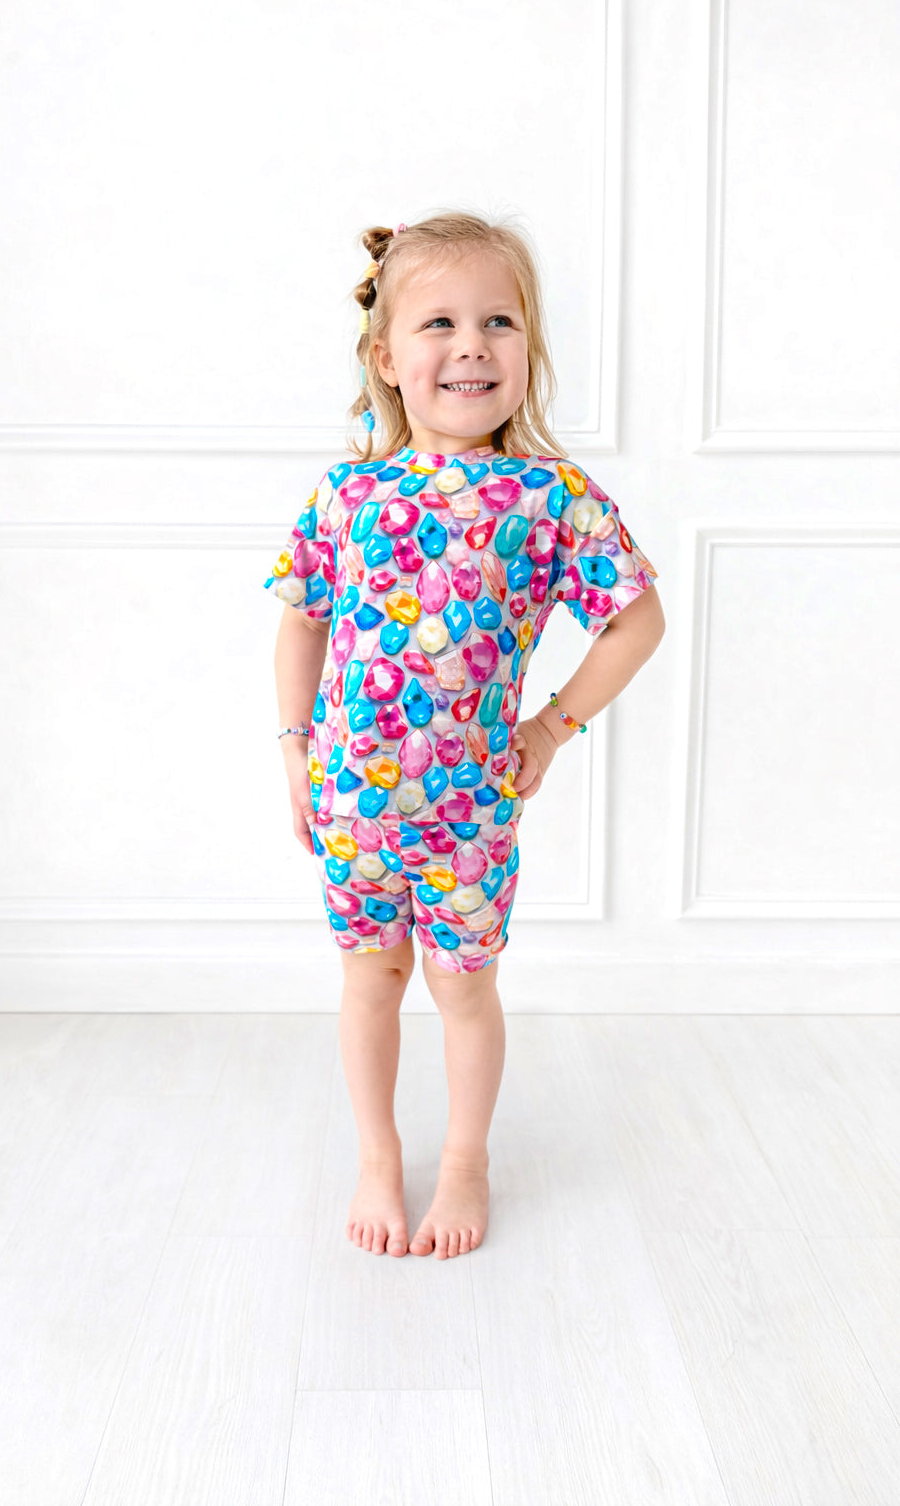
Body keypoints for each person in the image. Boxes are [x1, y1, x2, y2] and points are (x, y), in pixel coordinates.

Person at [262, 211, 665, 1261]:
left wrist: (553, 725)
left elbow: (637, 620)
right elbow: (301, 621)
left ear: (527, 352)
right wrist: (294, 752)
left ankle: (466, 1160)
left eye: (499, 321)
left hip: (471, 808)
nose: (472, 344)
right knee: (369, 980)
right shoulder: (347, 494)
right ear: (386, 358)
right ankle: (379, 1156)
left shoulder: (550, 498)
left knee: (462, 988)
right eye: (439, 321)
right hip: (352, 805)